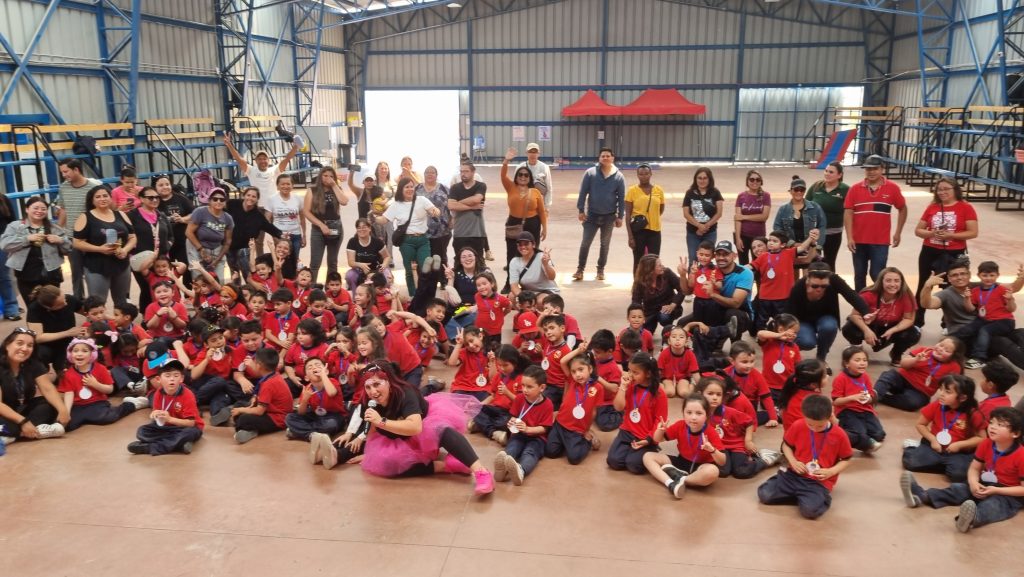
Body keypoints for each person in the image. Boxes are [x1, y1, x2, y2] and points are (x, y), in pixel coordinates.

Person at [355, 360, 495, 495]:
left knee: (441, 430)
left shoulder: (406, 393)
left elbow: (415, 427)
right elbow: (372, 430)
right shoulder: (368, 402)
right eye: (368, 387)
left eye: (377, 384)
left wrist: (381, 421)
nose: (373, 391)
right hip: (401, 439)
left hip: (423, 427)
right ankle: (446, 466)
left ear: (389, 382)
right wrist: (371, 453)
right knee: (386, 466)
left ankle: (481, 472)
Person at [900, 406, 1024, 533]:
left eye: (1000, 425)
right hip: (985, 484)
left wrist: (996, 490)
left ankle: (971, 519)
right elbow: (974, 468)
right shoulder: (986, 444)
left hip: (1009, 493)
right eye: (992, 422)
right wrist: (973, 482)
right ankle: (921, 496)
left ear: (1016, 433)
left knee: (994, 505)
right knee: (958, 489)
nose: (992, 427)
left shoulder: (1021, 455)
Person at [757, 394, 853, 519]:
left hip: (818, 481)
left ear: (830, 416)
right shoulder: (798, 425)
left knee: (810, 512)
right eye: (810, 424)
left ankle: (811, 498)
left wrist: (831, 471)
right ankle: (803, 497)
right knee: (764, 494)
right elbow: (786, 446)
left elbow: (846, 459)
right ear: (804, 416)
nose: (815, 429)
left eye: (820, 425)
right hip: (794, 474)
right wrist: (793, 461)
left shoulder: (840, 435)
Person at [919, 258, 1024, 371]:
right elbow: (927, 304)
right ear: (949, 278)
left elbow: (1012, 288)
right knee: (1002, 342)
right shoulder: (946, 294)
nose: (959, 277)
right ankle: (980, 358)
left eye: (963, 274)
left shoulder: (983, 285)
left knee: (1020, 333)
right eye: (954, 275)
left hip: (989, 326)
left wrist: (1022, 277)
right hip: (966, 339)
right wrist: (927, 287)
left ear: (969, 275)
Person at [912, 178, 978, 327]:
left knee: (953, 287)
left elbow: (973, 232)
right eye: (939, 189)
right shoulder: (932, 207)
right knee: (924, 284)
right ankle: (917, 322)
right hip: (930, 251)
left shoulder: (966, 207)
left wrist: (951, 236)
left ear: (955, 190)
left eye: (946, 189)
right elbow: (918, 230)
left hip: (954, 253)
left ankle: (948, 323)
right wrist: (932, 233)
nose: (942, 192)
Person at [844, 154, 908, 291]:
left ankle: (880, 300)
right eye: (868, 169)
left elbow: (902, 208)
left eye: (875, 168)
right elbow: (848, 212)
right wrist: (849, 237)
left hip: (880, 242)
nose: (871, 172)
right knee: (859, 275)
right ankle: (860, 302)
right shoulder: (854, 189)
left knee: (877, 275)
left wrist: (898, 232)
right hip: (859, 241)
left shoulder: (892, 188)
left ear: (882, 169)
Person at [784, 262, 868, 366]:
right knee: (807, 342)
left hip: (826, 317)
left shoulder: (834, 280)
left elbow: (851, 295)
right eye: (815, 286)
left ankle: (821, 359)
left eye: (824, 286)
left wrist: (865, 312)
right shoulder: (799, 287)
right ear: (807, 279)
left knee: (829, 327)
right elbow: (789, 312)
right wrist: (787, 331)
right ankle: (793, 354)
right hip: (803, 321)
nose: (819, 289)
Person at [644, 393, 726, 499]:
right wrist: (660, 431)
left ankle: (682, 479)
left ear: (707, 415)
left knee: (713, 472)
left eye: (699, 413)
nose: (693, 417)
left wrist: (712, 450)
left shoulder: (711, 432)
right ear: (683, 413)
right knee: (648, 456)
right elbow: (657, 439)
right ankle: (670, 483)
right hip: (681, 461)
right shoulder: (680, 425)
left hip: (700, 467)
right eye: (689, 412)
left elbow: (722, 461)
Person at [0, 327, 70, 443]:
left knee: (50, 404)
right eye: (19, 343)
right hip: (3, 413)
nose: (24, 348)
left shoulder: (33, 363)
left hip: (19, 410)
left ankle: (13, 434)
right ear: (7, 345)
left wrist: (63, 410)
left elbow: (47, 388)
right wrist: (23, 422)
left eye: (30, 345)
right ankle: (32, 432)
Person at [1, 196, 72, 308]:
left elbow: (68, 249)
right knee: (33, 307)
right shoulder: (15, 226)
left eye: (43, 209)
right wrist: (27, 239)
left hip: (51, 274)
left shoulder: (54, 228)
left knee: (53, 306)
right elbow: (4, 245)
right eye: (36, 208)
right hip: (26, 274)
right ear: (27, 209)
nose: (39, 211)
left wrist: (60, 240)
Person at [72, 186, 136, 306]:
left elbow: (132, 237)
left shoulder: (121, 214)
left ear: (111, 198)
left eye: (105, 196)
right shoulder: (85, 217)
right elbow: (77, 242)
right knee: (98, 304)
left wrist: (125, 250)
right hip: (97, 266)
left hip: (121, 265)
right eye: (98, 197)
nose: (102, 199)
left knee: (122, 303)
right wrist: (99, 249)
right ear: (92, 200)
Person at [842, 267, 921, 365]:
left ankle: (896, 353)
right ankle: (856, 348)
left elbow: (909, 319)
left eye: (896, 281)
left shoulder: (906, 296)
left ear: (902, 283)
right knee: (849, 328)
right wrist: (867, 331)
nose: (893, 284)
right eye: (888, 280)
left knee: (913, 333)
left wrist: (893, 330)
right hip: (870, 324)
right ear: (881, 282)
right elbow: (854, 315)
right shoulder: (868, 294)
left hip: (892, 326)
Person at [376, 177, 442, 291]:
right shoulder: (396, 205)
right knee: (410, 270)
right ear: (401, 189)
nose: (410, 189)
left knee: (425, 267)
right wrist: (374, 218)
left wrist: (435, 211)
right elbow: (384, 219)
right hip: (406, 241)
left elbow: (435, 210)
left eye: (412, 187)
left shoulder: (422, 200)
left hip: (422, 239)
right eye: (407, 187)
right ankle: (413, 295)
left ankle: (425, 292)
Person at [127, 358, 203, 456]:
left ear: (181, 379)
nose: (172, 379)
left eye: (176, 375)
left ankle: (152, 447)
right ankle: (178, 444)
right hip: (167, 428)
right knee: (142, 431)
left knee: (189, 433)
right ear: (159, 379)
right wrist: (154, 414)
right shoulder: (158, 393)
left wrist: (169, 419)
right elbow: (157, 416)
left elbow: (191, 423)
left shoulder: (188, 394)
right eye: (167, 375)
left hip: (186, 427)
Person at [954, 261, 1020, 369]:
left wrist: (1010, 300)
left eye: (992, 275)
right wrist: (967, 298)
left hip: (1004, 321)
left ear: (997, 275)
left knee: (984, 331)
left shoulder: (1002, 289)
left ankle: (979, 358)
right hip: (984, 319)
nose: (988, 278)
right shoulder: (975, 291)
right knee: (966, 330)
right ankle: (950, 347)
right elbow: (970, 309)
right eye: (985, 275)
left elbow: (1011, 309)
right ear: (979, 275)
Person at [574, 147, 625, 282]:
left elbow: (621, 198)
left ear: (612, 158)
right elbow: (583, 192)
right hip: (591, 216)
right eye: (603, 156)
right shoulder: (590, 173)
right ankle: (580, 270)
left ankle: (600, 270)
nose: (605, 158)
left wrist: (620, 216)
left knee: (605, 244)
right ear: (599, 158)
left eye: (608, 156)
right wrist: (581, 210)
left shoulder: (619, 177)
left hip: (609, 217)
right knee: (585, 243)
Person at [500, 148, 548, 290]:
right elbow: (503, 175)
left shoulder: (536, 192)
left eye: (526, 175)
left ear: (530, 178)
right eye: (520, 174)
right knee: (511, 253)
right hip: (514, 223)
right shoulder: (510, 187)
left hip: (532, 225)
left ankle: (529, 283)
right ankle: (510, 283)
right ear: (516, 176)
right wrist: (506, 160)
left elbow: (542, 212)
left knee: (531, 253)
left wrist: (545, 228)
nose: (523, 177)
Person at [56, 158, 101, 300]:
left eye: (66, 172)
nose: (64, 175)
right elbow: (63, 209)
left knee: (93, 272)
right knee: (76, 273)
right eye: (62, 172)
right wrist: (58, 229)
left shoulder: (94, 186)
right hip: (72, 237)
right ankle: (78, 302)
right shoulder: (63, 187)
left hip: (91, 237)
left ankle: (96, 302)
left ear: (76, 169)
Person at [126, 186, 173, 314]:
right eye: (150, 197)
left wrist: (166, 247)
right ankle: (147, 316)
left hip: (161, 261)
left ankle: (164, 314)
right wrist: (130, 253)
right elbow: (126, 236)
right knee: (147, 288)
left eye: (157, 197)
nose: (154, 200)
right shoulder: (132, 216)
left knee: (163, 288)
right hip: (141, 260)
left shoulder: (161, 215)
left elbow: (170, 236)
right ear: (141, 199)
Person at [222, 132, 299, 209]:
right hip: (257, 207)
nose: (262, 161)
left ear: (268, 160)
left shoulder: (275, 170)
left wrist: (295, 147)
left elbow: (287, 158)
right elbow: (239, 159)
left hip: (273, 206)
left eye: (264, 159)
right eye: (260, 159)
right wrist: (229, 145)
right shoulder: (251, 170)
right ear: (256, 161)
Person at [226, 187, 283, 283]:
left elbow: (269, 227)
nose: (250, 198)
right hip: (230, 245)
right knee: (234, 273)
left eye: (254, 196)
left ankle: (250, 289)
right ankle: (236, 290)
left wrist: (281, 234)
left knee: (247, 273)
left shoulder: (258, 216)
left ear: (257, 199)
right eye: (248, 195)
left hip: (244, 247)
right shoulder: (232, 204)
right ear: (244, 196)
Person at [300, 167, 348, 283]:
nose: (328, 178)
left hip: (335, 228)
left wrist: (334, 185)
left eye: (331, 176)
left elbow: (344, 201)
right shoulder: (312, 190)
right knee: (315, 263)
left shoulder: (337, 189)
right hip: (318, 229)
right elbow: (306, 211)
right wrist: (321, 225)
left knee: (332, 262)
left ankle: (331, 288)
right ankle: (311, 289)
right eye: (325, 176)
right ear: (320, 176)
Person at [806, 162, 849, 271]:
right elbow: (805, 206)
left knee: (829, 262)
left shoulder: (845, 189)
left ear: (839, 175)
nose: (827, 174)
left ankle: (830, 282)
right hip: (816, 233)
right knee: (813, 261)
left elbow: (850, 210)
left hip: (834, 233)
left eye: (831, 172)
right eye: (826, 171)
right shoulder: (816, 187)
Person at [185, 188, 233, 282]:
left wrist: (217, 260)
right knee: (199, 279)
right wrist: (201, 250)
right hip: (197, 247)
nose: (218, 201)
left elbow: (227, 242)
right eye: (215, 199)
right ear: (209, 201)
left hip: (216, 249)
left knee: (219, 281)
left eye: (222, 199)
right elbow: (188, 232)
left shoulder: (228, 218)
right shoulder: (200, 212)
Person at [772, 176, 826, 258]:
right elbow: (777, 229)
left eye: (802, 190)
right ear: (790, 191)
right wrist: (792, 243)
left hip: (810, 249)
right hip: (790, 250)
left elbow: (822, 226)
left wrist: (817, 247)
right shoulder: (783, 209)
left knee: (811, 267)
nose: (799, 192)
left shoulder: (815, 207)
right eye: (796, 189)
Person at [630, 254, 684, 336]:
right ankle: (651, 325)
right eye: (659, 265)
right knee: (643, 334)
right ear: (650, 269)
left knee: (664, 317)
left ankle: (668, 328)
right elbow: (635, 302)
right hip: (650, 311)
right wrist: (637, 317)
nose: (662, 266)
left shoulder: (667, 273)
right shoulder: (640, 282)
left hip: (667, 308)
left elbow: (682, 289)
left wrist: (673, 305)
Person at [624, 164, 665, 270]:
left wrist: (652, 217)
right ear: (637, 175)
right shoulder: (632, 191)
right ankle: (637, 281)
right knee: (638, 261)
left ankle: (652, 281)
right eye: (641, 174)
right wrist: (630, 237)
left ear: (651, 174)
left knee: (654, 261)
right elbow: (628, 215)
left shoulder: (658, 190)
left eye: (646, 173)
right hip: (638, 231)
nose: (644, 176)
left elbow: (660, 210)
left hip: (655, 231)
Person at [682, 167, 724, 264]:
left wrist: (705, 227)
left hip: (710, 232)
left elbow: (719, 213)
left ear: (709, 179)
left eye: (705, 178)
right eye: (699, 178)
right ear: (695, 179)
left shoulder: (715, 193)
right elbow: (686, 214)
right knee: (693, 259)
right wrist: (699, 226)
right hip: (693, 233)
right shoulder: (689, 193)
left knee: (707, 259)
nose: (702, 181)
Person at [264, 174, 304, 275]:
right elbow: (266, 221)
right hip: (279, 236)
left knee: (294, 260)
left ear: (292, 185)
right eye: (282, 184)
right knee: (279, 261)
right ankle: (279, 281)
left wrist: (304, 236)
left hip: (295, 235)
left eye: (288, 184)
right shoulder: (271, 199)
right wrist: (274, 235)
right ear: (277, 186)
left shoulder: (298, 198)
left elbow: (302, 218)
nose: (285, 186)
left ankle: (292, 281)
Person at [448, 161, 488, 258]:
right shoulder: (455, 188)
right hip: (460, 233)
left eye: (466, 171)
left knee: (478, 263)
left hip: (477, 233)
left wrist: (458, 203)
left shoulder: (481, 186)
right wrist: (471, 207)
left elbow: (476, 199)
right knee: (460, 262)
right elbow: (451, 206)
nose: (463, 174)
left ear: (473, 172)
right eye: (461, 171)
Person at [153, 174, 194, 268]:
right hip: (163, 243)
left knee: (186, 267)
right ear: (155, 188)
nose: (165, 187)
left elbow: (194, 214)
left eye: (167, 184)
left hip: (181, 241)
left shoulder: (180, 198)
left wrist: (182, 219)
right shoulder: (154, 201)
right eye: (161, 185)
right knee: (165, 269)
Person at [733, 169, 771, 265]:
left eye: (758, 180)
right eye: (752, 179)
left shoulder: (766, 196)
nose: (755, 182)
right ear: (747, 181)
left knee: (759, 263)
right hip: (743, 236)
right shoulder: (741, 196)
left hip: (759, 236)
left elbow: (764, 216)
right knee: (743, 264)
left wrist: (744, 217)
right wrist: (738, 238)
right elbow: (737, 218)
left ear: (761, 182)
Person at [418, 166, 453, 268]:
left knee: (440, 258)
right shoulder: (417, 189)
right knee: (425, 259)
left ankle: (443, 276)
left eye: (432, 172)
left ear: (436, 175)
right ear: (424, 175)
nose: (429, 174)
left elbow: (453, 205)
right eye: (427, 172)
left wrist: (453, 219)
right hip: (422, 231)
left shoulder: (444, 189)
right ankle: (426, 277)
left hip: (442, 230)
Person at [345, 218, 391, 290]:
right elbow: (351, 262)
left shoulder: (377, 242)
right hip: (359, 270)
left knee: (387, 276)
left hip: (376, 269)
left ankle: (384, 295)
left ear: (369, 228)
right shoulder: (352, 241)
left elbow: (387, 257)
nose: (361, 230)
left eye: (364, 227)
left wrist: (384, 265)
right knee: (350, 275)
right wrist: (361, 265)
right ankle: (356, 295)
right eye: (359, 228)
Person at [516, 143, 554, 208]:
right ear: (526, 153)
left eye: (535, 152)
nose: (533, 154)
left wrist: (547, 206)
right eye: (530, 152)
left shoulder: (544, 167)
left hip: (539, 204)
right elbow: (515, 187)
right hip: (523, 204)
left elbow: (549, 188)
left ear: (539, 153)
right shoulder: (520, 167)